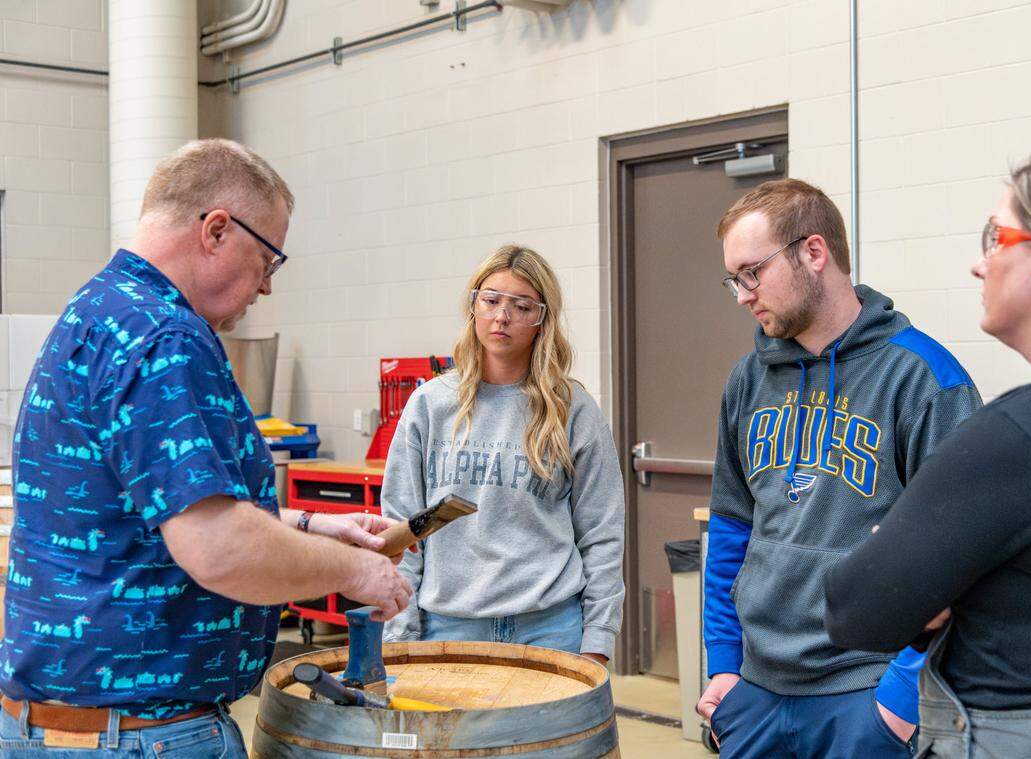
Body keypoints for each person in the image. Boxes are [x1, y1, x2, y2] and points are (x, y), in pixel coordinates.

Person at [0, 139, 412, 757]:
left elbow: (155, 510)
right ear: (217, 230)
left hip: (59, 727)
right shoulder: (167, 336)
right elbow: (218, 549)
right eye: (268, 260)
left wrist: (312, 525)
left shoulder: (100, 309)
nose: (266, 287)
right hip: (141, 736)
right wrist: (357, 571)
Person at [825, 153, 1031, 758]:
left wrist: (935, 585)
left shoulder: (1028, 432)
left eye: (996, 238)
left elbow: (857, 608)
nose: (979, 264)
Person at [698, 179, 981, 758]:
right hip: (755, 690)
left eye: (752, 273)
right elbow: (731, 528)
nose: (743, 296)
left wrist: (898, 703)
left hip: (866, 692)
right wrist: (724, 665)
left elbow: (963, 555)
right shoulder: (748, 380)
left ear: (813, 252)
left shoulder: (923, 378)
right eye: (734, 279)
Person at [381, 245, 625, 665]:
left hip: (550, 627)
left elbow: (602, 533)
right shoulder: (430, 404)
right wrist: (400, 630)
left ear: (542, 319)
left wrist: (598, 641)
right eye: (491, 300)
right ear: (473, 305)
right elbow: (401, 529)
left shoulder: (572, 410)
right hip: (449, 627)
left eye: (522, 306)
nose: (502, 316)